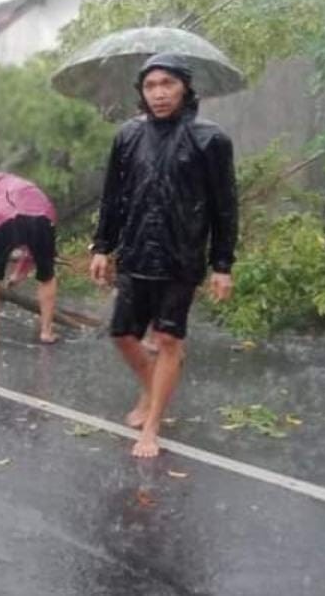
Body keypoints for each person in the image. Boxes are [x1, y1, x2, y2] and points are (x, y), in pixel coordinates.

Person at [89, 52, 238, 459]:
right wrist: (102, 246)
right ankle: (155, 384)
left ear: (186, 88)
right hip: (136, 252)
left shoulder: (210, 139)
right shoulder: (128, 136)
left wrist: (222, 264)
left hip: (182, 256)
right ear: (141, 92)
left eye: (167, 84)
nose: (158, 93)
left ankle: (152, 425)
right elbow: (113, 198)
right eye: (150, 86)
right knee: (122, 335)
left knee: (169, 338)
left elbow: (225, 206)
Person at [0, 172, 60, 345]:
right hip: (45, 219)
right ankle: (47, 332)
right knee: (47, 276)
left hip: (9, 216)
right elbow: (32, 248)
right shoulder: (25, 185)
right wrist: (19, 273)